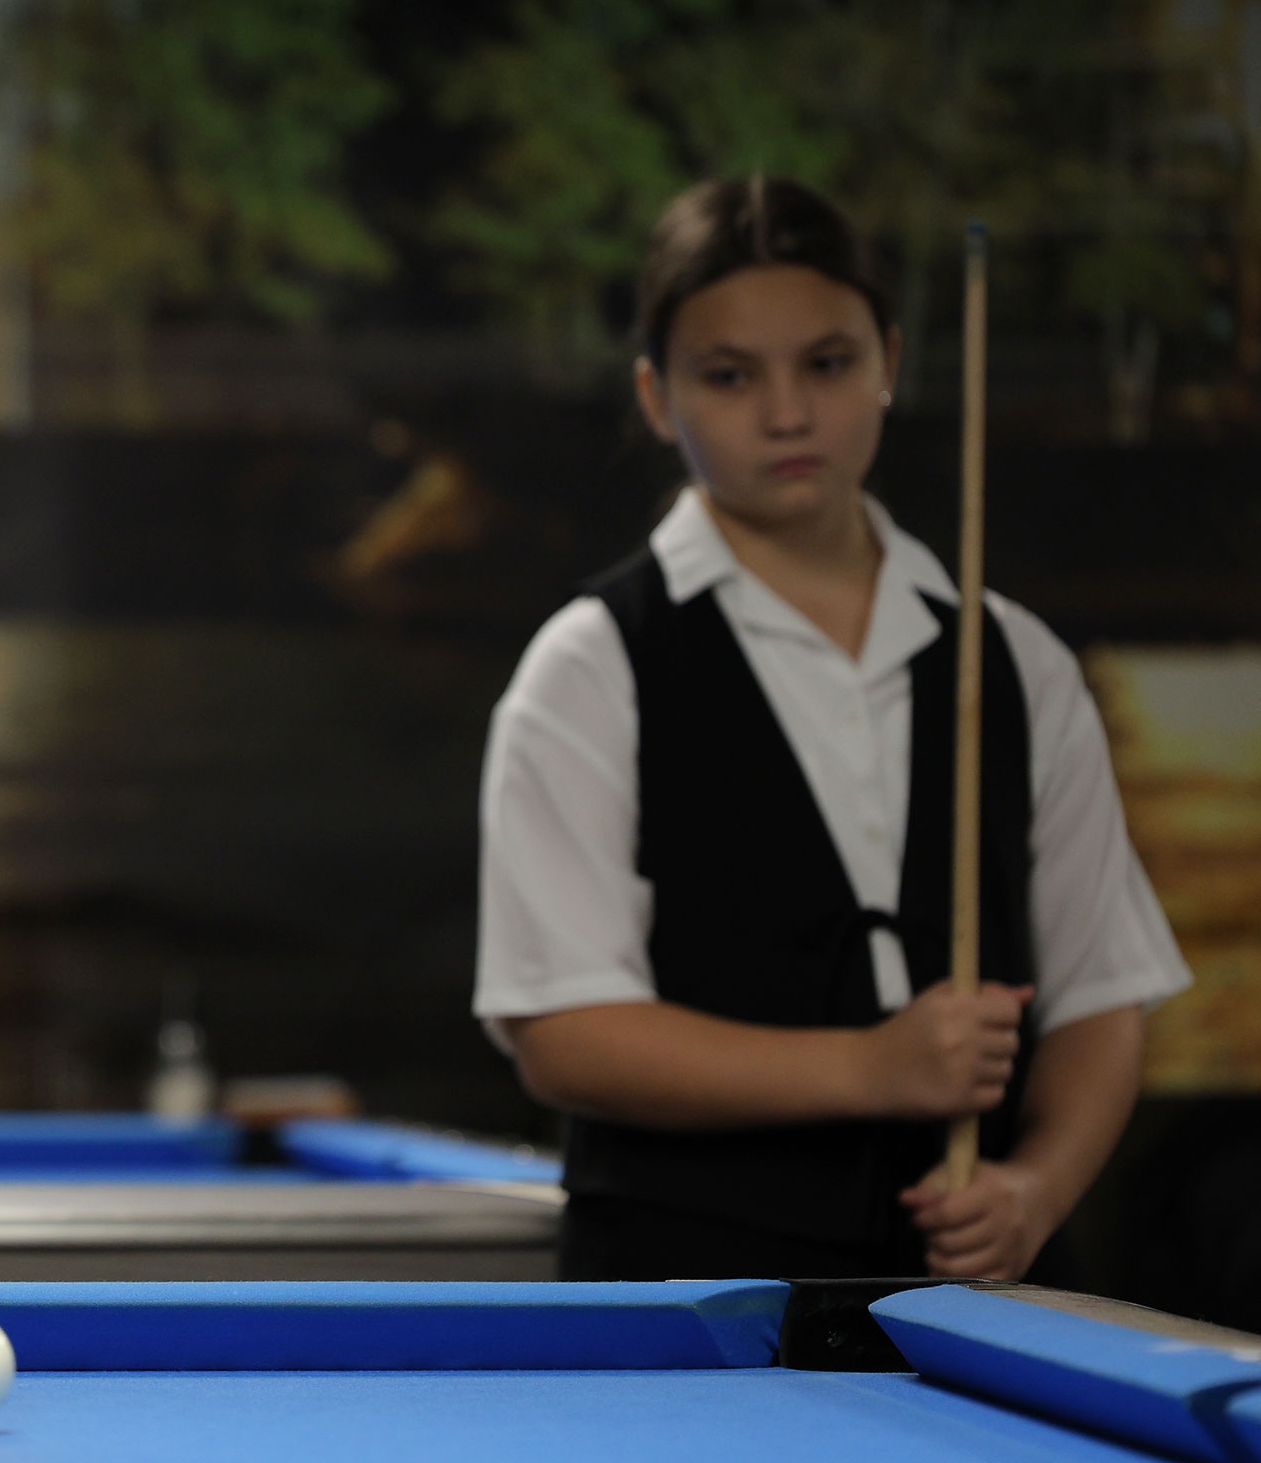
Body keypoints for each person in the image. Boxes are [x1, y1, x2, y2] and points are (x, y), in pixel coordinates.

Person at [474, 176, 1192, 1281]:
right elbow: (565, 1034)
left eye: (827, 362)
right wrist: (868, 1068)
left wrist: (1036, 1189)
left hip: (972, 1316)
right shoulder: (590, 666)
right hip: (683, 1315)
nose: (787, 414)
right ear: (658, 396)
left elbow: (1101, 996)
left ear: (888, 361)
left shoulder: (1015, 660)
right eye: (729, 375)